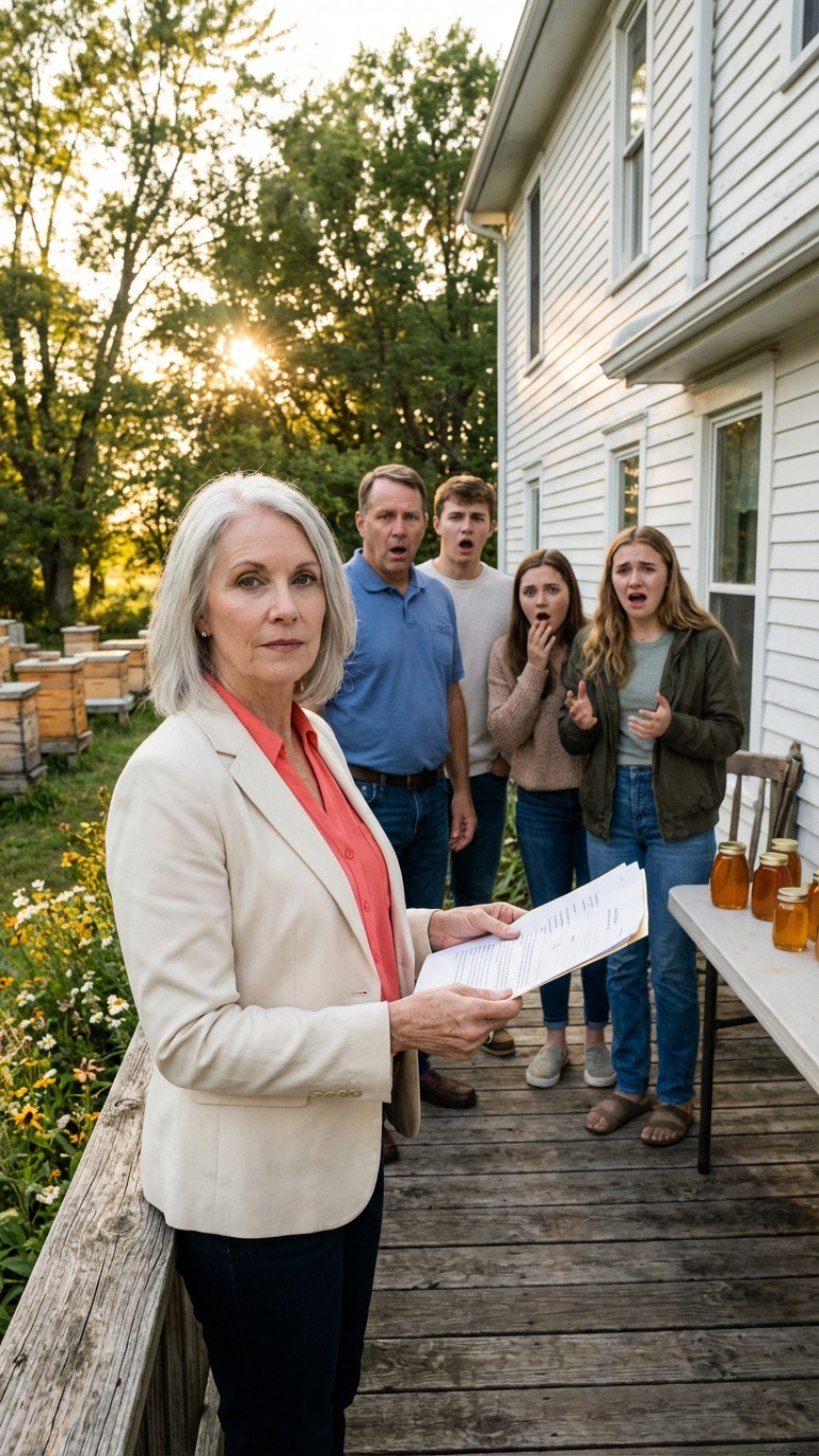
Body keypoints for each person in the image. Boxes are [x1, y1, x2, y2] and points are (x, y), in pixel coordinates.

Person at [105, 473, 523, 1455]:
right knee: (283, 1430)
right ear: (198, 609)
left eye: (302, 577)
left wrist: (435, 927)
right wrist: (397, 1029)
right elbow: (194, 1040)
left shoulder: (311, 733)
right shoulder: (170, 781)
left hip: (345, 1158)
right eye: (249, 579)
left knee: (325, 1399)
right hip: (255, 1200)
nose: (286, 605)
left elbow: (329, 916)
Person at [559, 525, 743, 1146]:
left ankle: (676, 1098)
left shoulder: (704, 644)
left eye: (646, 568)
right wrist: (580, 724)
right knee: (621, 961)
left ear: (668, 574)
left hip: (679, 820)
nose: (633, 580)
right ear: (610, 581)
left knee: (669, 965)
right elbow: (571, 733)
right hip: (612, 815)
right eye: (622, 570)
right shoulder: (592, 641)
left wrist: (674, 726)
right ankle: (630, 1087)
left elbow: (726, 733)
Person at [324, 463, 481, 1122]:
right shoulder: (333, 597)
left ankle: (415, 1070)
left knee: (418, 944)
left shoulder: (436, 595)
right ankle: (364, 1101)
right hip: (361, 798)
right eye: (384, 516)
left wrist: (460, 790)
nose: (398, 529)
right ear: (360, 522)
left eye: (410, 517)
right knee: (358, 950)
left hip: (426, 797)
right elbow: (308, 707)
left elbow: (450, 698)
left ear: (425, 524)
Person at [487, 549, 615, 1090]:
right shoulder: (506, 652)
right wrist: (535, 670)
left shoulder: (597, 644)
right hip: (538, 804)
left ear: (571, 594)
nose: (542, 601)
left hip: (592, 803)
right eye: (531, 591)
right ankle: (555, 1038)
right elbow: (504, 733)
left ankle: (597, 1040)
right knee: (551, 922)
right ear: (519, 600)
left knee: (599, 925)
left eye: (553, 589)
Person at [418, 474, 516, 1058]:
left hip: (485, 771)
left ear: (491, 527)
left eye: (477, 518)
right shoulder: (419, 586)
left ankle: (488, 1012)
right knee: (427, 907)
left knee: (480, 901)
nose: (466, 527)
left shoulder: (507, 592)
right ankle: (429, 1021)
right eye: (456, 516)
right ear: (438, 523)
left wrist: (507, 755)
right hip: (428, 776)